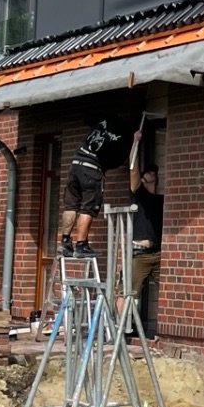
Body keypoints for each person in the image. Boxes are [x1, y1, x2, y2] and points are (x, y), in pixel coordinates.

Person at [59, 112, 137, 256]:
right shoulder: (125, 137)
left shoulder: (106, 118)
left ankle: (65, 242)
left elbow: (88, 118)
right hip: (92, 169)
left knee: (71, 206)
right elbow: (119, 161)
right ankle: (81, 245)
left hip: (76, 164)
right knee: (88, 208)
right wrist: (135, 141)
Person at [129, 155, 164, 326]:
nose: (152, 174)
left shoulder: (160, 200)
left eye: (154, 172)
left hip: (157, 253)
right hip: (139, 253)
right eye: (148, 172)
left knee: (167, 287)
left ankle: (162, 327)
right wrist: (135, 148)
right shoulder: (138, 194)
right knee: (128, 291)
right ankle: (117, 328)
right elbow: (133, 174)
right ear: (143, 178)